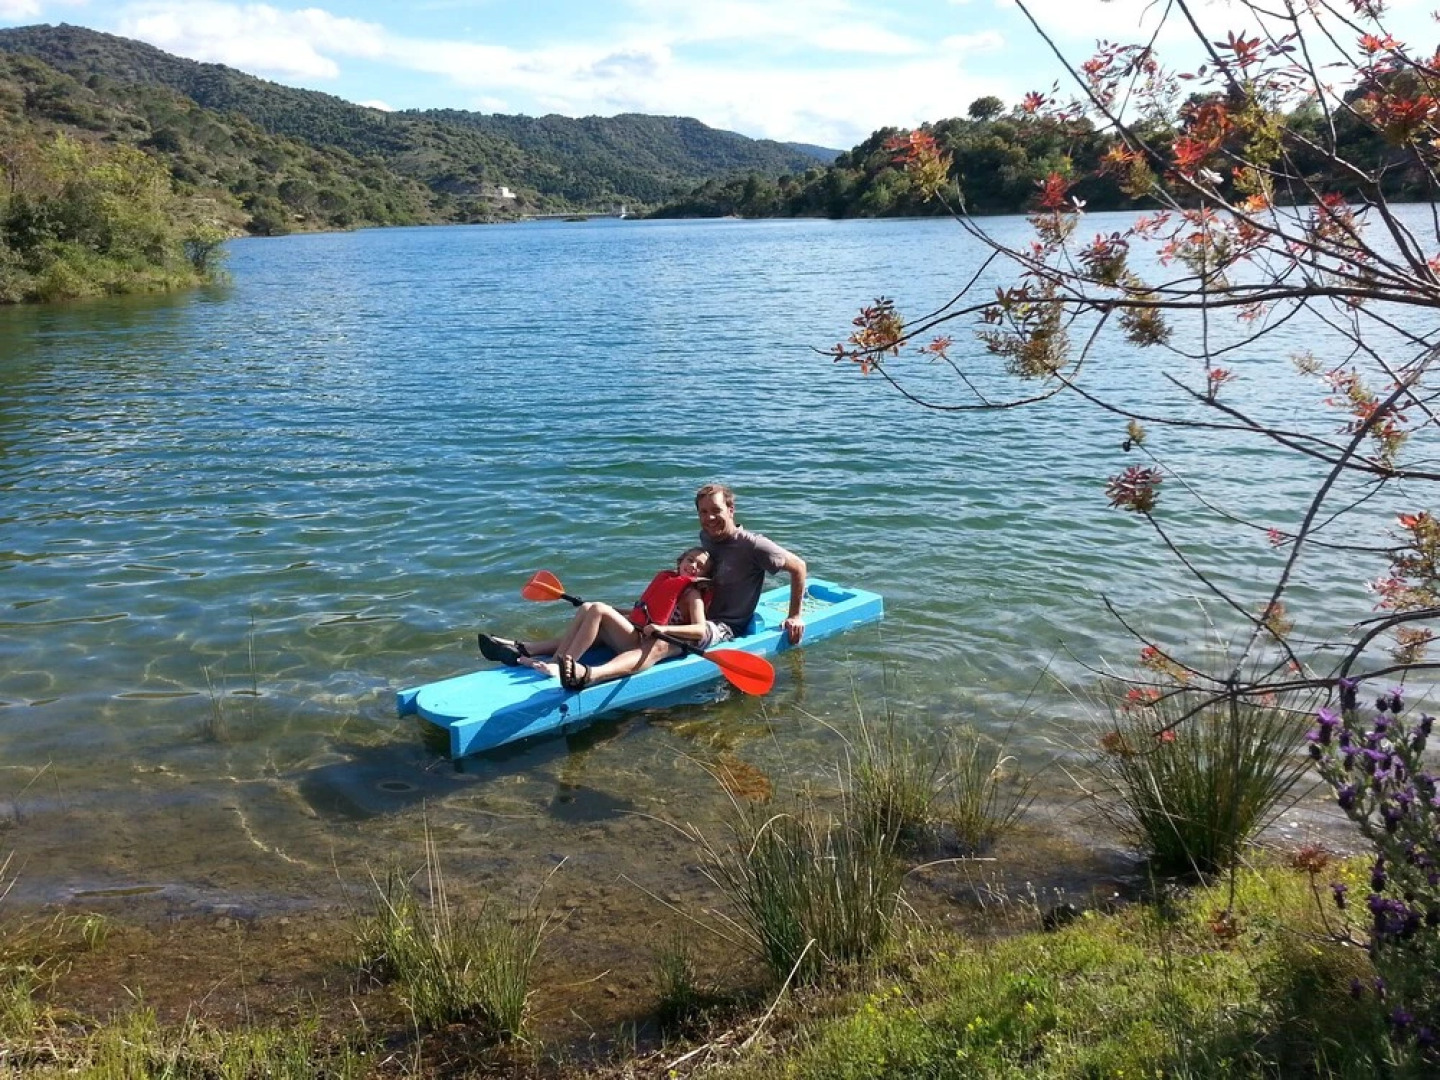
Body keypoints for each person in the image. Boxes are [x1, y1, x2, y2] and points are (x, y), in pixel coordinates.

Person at [477, 547, 721, 690]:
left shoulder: (692, 594)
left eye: (700, 567)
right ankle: (549, 658)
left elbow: (699, 630)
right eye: (690, 560)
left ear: (704, 576)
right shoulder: (667, 582)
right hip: (636, 636)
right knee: (591, 608)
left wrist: (659, 628)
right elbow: (640, 614)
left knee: (599, 610)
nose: (693, 567)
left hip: (647, 646)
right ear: (679, 562)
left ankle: (558, 662)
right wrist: (614, 610)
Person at [693, 482, 807, 645]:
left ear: (731, 510)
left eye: (716, 510)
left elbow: (799, 566)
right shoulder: (706, 536)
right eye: (703, 512)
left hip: (727, 627)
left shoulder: (753, 545)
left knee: (661, 645)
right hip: (701, 615)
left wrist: (794, 616)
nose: (709, 518)